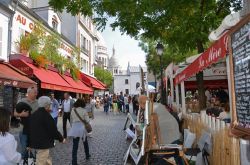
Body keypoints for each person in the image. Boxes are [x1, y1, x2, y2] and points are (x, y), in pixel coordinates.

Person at [29, 96, 65, 165]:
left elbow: (29, 129)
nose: (50, 106)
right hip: (43, 144)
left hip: (36, 143)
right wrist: (61, 139)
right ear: (47, 105)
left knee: (47, 161)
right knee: (41, 162)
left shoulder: (34, 114)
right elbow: (53, 131)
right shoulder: (46, 116)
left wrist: (29, 143)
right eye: (50, 104)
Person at [14, 86, 38, 162]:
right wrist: (22, 114)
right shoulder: (22, 101)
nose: (36, 94)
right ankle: (23, 161)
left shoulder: (38, 103)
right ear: (29, 93)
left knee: (32, 147)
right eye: (34, 92)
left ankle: (30, 160)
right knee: (24, 147)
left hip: (34, 129)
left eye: (36, 92)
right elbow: (15, 113)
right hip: (23, 128)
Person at [68, 99, 91, 164]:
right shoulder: (84, 110)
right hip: (82, 128)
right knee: (85, 143)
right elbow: (87, 120)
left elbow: (71, 119)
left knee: (75, 146)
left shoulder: (73, 110)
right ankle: (87, 155)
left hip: (75, 128)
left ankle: (74, 162)